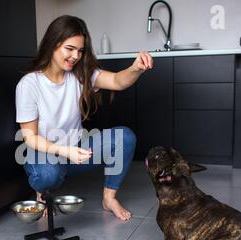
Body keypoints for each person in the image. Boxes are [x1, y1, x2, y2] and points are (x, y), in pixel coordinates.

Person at [15, 15, 153, 221]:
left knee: (124, 137)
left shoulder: (80, 75)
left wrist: (135, 69)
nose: (75, 56)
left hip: (76, 151)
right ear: (53, 43)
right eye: (69, 49)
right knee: (47, 174)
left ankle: (109, 198)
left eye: (80, 51)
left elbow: (117, 81)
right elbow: (29, 137)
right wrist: (63, 150)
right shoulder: (29, 84)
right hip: (44, 154)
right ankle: (42, 193)